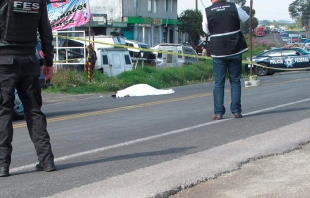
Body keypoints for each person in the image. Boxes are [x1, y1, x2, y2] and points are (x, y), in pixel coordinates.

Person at [0, 0, 56, 177]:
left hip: (3, 62)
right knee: (33, 110)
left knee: (3, 112)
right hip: (30, 60)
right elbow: (46, 31)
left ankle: (2, 165)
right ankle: (47, 161)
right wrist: (48, 61)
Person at [202, 0, 249, 120]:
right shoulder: (234, 7)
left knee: (219, 82)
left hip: (218, 51)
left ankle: (218, 113)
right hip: (235, 48)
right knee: (235, 81)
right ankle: (236, 111)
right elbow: (245, 18)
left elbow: (206, 30)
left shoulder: (207, 11)